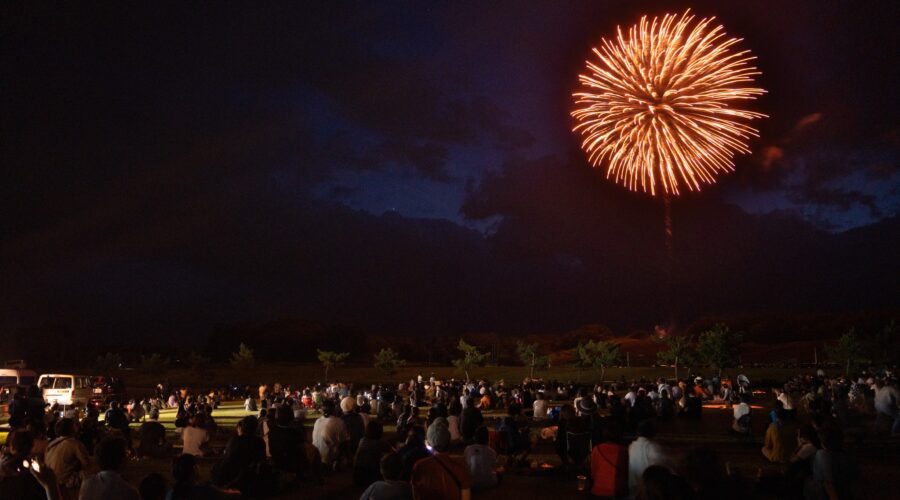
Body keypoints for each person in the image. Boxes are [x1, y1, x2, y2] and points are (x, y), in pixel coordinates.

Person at [411, 419, 472, 500]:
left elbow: (416, 495)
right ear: (449, 442)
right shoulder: (460, 467)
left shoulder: (419, 466)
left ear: (428, 444)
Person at [211, 416, 267, 495]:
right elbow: (262, 460)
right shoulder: (259, 442)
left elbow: (227, 458)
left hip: (236, 474)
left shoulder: (235, 440)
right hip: (249, 476)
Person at [0, 430, 59, 500]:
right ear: (31, 446)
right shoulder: (38, 472)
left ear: (11, 447)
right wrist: (50, 487)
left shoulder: (4, 469)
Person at [45, 418, 93, 500]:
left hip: (50, 480)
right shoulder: (75, 444)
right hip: (65, 482)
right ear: (72, 428)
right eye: (75, 425)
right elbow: (87, 464)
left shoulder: (52, 443)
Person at [804, 428, 857, 500]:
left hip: (825, 493)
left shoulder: (822, 454)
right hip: (843, 491)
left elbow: (828, 483)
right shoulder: (845, 455)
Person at [627, 420, 668, 494]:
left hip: (633, 488)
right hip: (649, 489)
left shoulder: (631, 446)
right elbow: (664, 465)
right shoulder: (652, 447)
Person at [590, 425, 628, 499]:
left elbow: (593, 470)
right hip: (617, 490)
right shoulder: (623, 450)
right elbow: (626, 470)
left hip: (599, 488)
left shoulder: (596, 449)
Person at [312, 399, 350, 470]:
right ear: (334, 409)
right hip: (328, 458)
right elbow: (345, 441)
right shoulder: (338, 421)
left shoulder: (317, 421)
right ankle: (338, 462)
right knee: (344, 442)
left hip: (316, 456)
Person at [354, 420, 389, 487]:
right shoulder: (379, 443)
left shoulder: (362, 440)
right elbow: (393, 452)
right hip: (370, 479)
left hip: (357, 476)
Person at [463, 426, 498, 491]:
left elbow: (466, 463)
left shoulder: (468, 449)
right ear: (487, 438)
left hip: (472, 483)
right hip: (489, 483)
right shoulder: (492, 452)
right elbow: (493, 467)